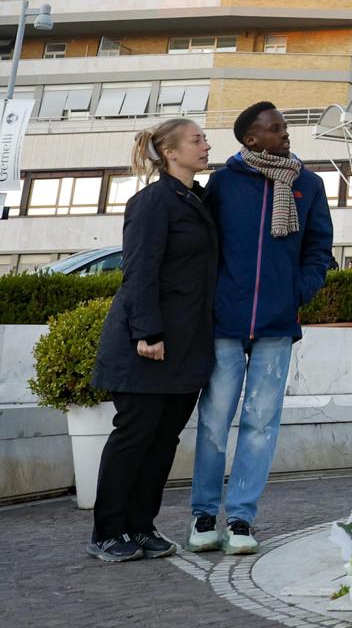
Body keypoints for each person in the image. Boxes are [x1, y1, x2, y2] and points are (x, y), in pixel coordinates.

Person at [188, 101, 334, 554]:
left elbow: (319, 246)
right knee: (214, 420)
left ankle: (241, 519)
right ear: (251, 139)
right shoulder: (224, 183)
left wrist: (298, 291)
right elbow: (204, 245)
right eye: (275, 129)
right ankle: (204, 513)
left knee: (261, 422)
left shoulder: (307, 184)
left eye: (285, 127)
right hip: (225, 321)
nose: (285, 134)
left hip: (276, 322)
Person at [87, 117, 216, 562]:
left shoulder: (196, 199)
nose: (205, 145)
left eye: (204, 139)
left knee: (164, 441)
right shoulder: (152, 202)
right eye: (196, 140)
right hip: (147, 345)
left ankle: (141, 527)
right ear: (171, 153)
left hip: (185, 346)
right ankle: (107, 532)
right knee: (134, 436)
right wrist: (148, 333)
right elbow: (139, 271)